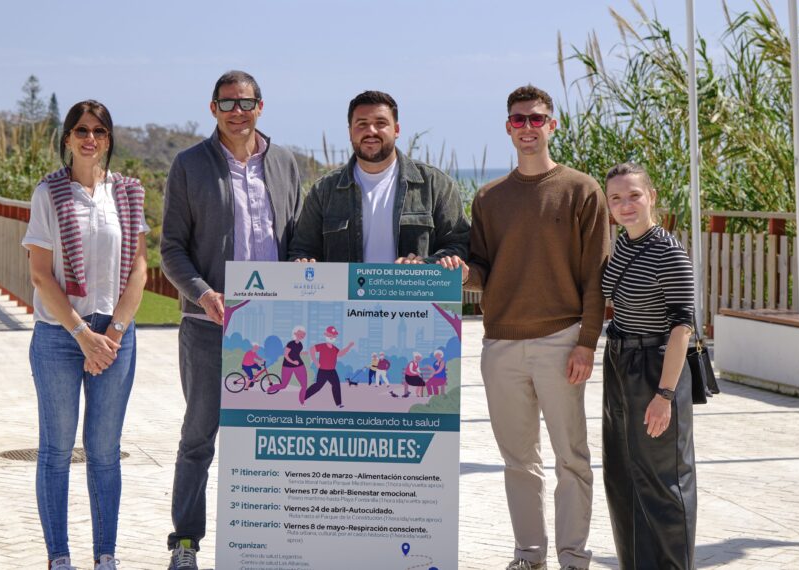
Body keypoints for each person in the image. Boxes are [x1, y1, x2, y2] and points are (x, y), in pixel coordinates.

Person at [159, 70, 302, 570]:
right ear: (212, 107)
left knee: (273, 435)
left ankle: (272, 543)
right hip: (207, 327)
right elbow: (170, 249)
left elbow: (298, 239)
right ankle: (185, 543)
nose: (237, 111)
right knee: (199, 436)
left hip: (275, 331)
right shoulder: (189, 165)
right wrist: (201, 295)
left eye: (245, 102)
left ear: (261, 106)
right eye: (227, 103)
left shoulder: (284, 163)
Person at [464, 84, 610, 570]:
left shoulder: (582, 190)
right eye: (519, 119)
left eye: (537, 118)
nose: (528, 127)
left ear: (552, 125)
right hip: (500, 344)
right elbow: (483, 268)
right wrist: (463, 273)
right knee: (518, 461)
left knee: (571, 458)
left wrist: (587, 342)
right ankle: (530, 556)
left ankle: (573, 558)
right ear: (508, 128)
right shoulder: (488, 198)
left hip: (561, 340)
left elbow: (596, 276)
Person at [21, 100, 148, 570]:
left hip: (115, 335)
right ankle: (59, 557)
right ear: (68, 139)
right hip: (60, 334)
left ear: (108, 138)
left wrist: (111, 332)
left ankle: (106, 557)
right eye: (80, 130)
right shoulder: (48, 194)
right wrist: (82, 336)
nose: (89, 137)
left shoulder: (129, 193)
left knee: (104, 453)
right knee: (56, 450)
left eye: (97, 130)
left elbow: (138, 268)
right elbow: (39, 274)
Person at [600, 162, 697, 569]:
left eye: (634, 195)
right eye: (616, 198)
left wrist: (664, 395)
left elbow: (683, 327)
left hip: (656, 367)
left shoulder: (668, 252)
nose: (626, 205)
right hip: (619, 361)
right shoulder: (623, 244)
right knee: (623, 477)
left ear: (651, 197)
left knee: (663, 482)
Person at [288, 90, 469, 269]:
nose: (371, 131)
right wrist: (304, 262)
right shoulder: (324, 190)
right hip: (345, 298)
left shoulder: (435, 184)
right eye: (362, 124)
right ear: (350, 132)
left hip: (413, 297)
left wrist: (424, 264)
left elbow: (459, 245)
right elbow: (302, 249)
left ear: (396, 130)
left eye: (380, 123)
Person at [304, 325, 355, 408]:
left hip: (332, 371)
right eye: (330, 335)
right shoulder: (322, 346)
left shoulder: (334, 348)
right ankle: (303, 397)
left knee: (336, 385)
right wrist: (315, 362)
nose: (332, 337)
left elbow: (340, 354)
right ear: (326, 335)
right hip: (323, 371)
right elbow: (311, 349)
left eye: (334, 336)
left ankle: (339, 403)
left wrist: (349, 346)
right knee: (317, 386)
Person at [267, 326, 309, 400]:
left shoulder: (300, 345)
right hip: (287, 366)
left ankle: (302, 400)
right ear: (295, 334)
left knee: (304, 385)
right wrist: (293, 362)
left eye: (303, 334)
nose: (302, 335)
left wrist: (302, 353)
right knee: (283, 385)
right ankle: (269, 389)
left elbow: (295, 353)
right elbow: (286, 355)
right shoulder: (290, 344)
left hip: (299, 365)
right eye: (301, 333)